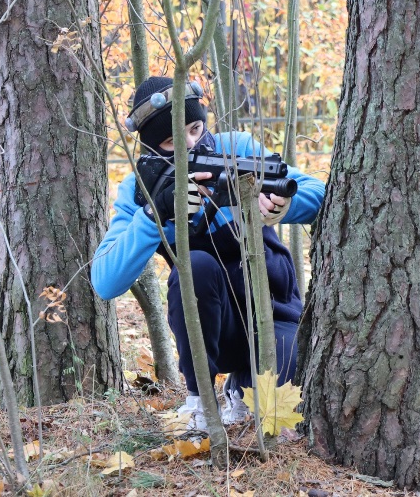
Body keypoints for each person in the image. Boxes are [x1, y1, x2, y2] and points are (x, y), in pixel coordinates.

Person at [91, 76, 325, 429]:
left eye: (196, 127)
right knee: (196, 265)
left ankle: (240, 386)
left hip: (273, 313)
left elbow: (317, 192)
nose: (191, 144)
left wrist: (283, 207)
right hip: (213, 330)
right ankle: (200, 401)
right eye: (173, 140)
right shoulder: (141, 189)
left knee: (288, 390)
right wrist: (155, 214)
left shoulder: (238, 148)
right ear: (153, 147)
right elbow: (105, 281)